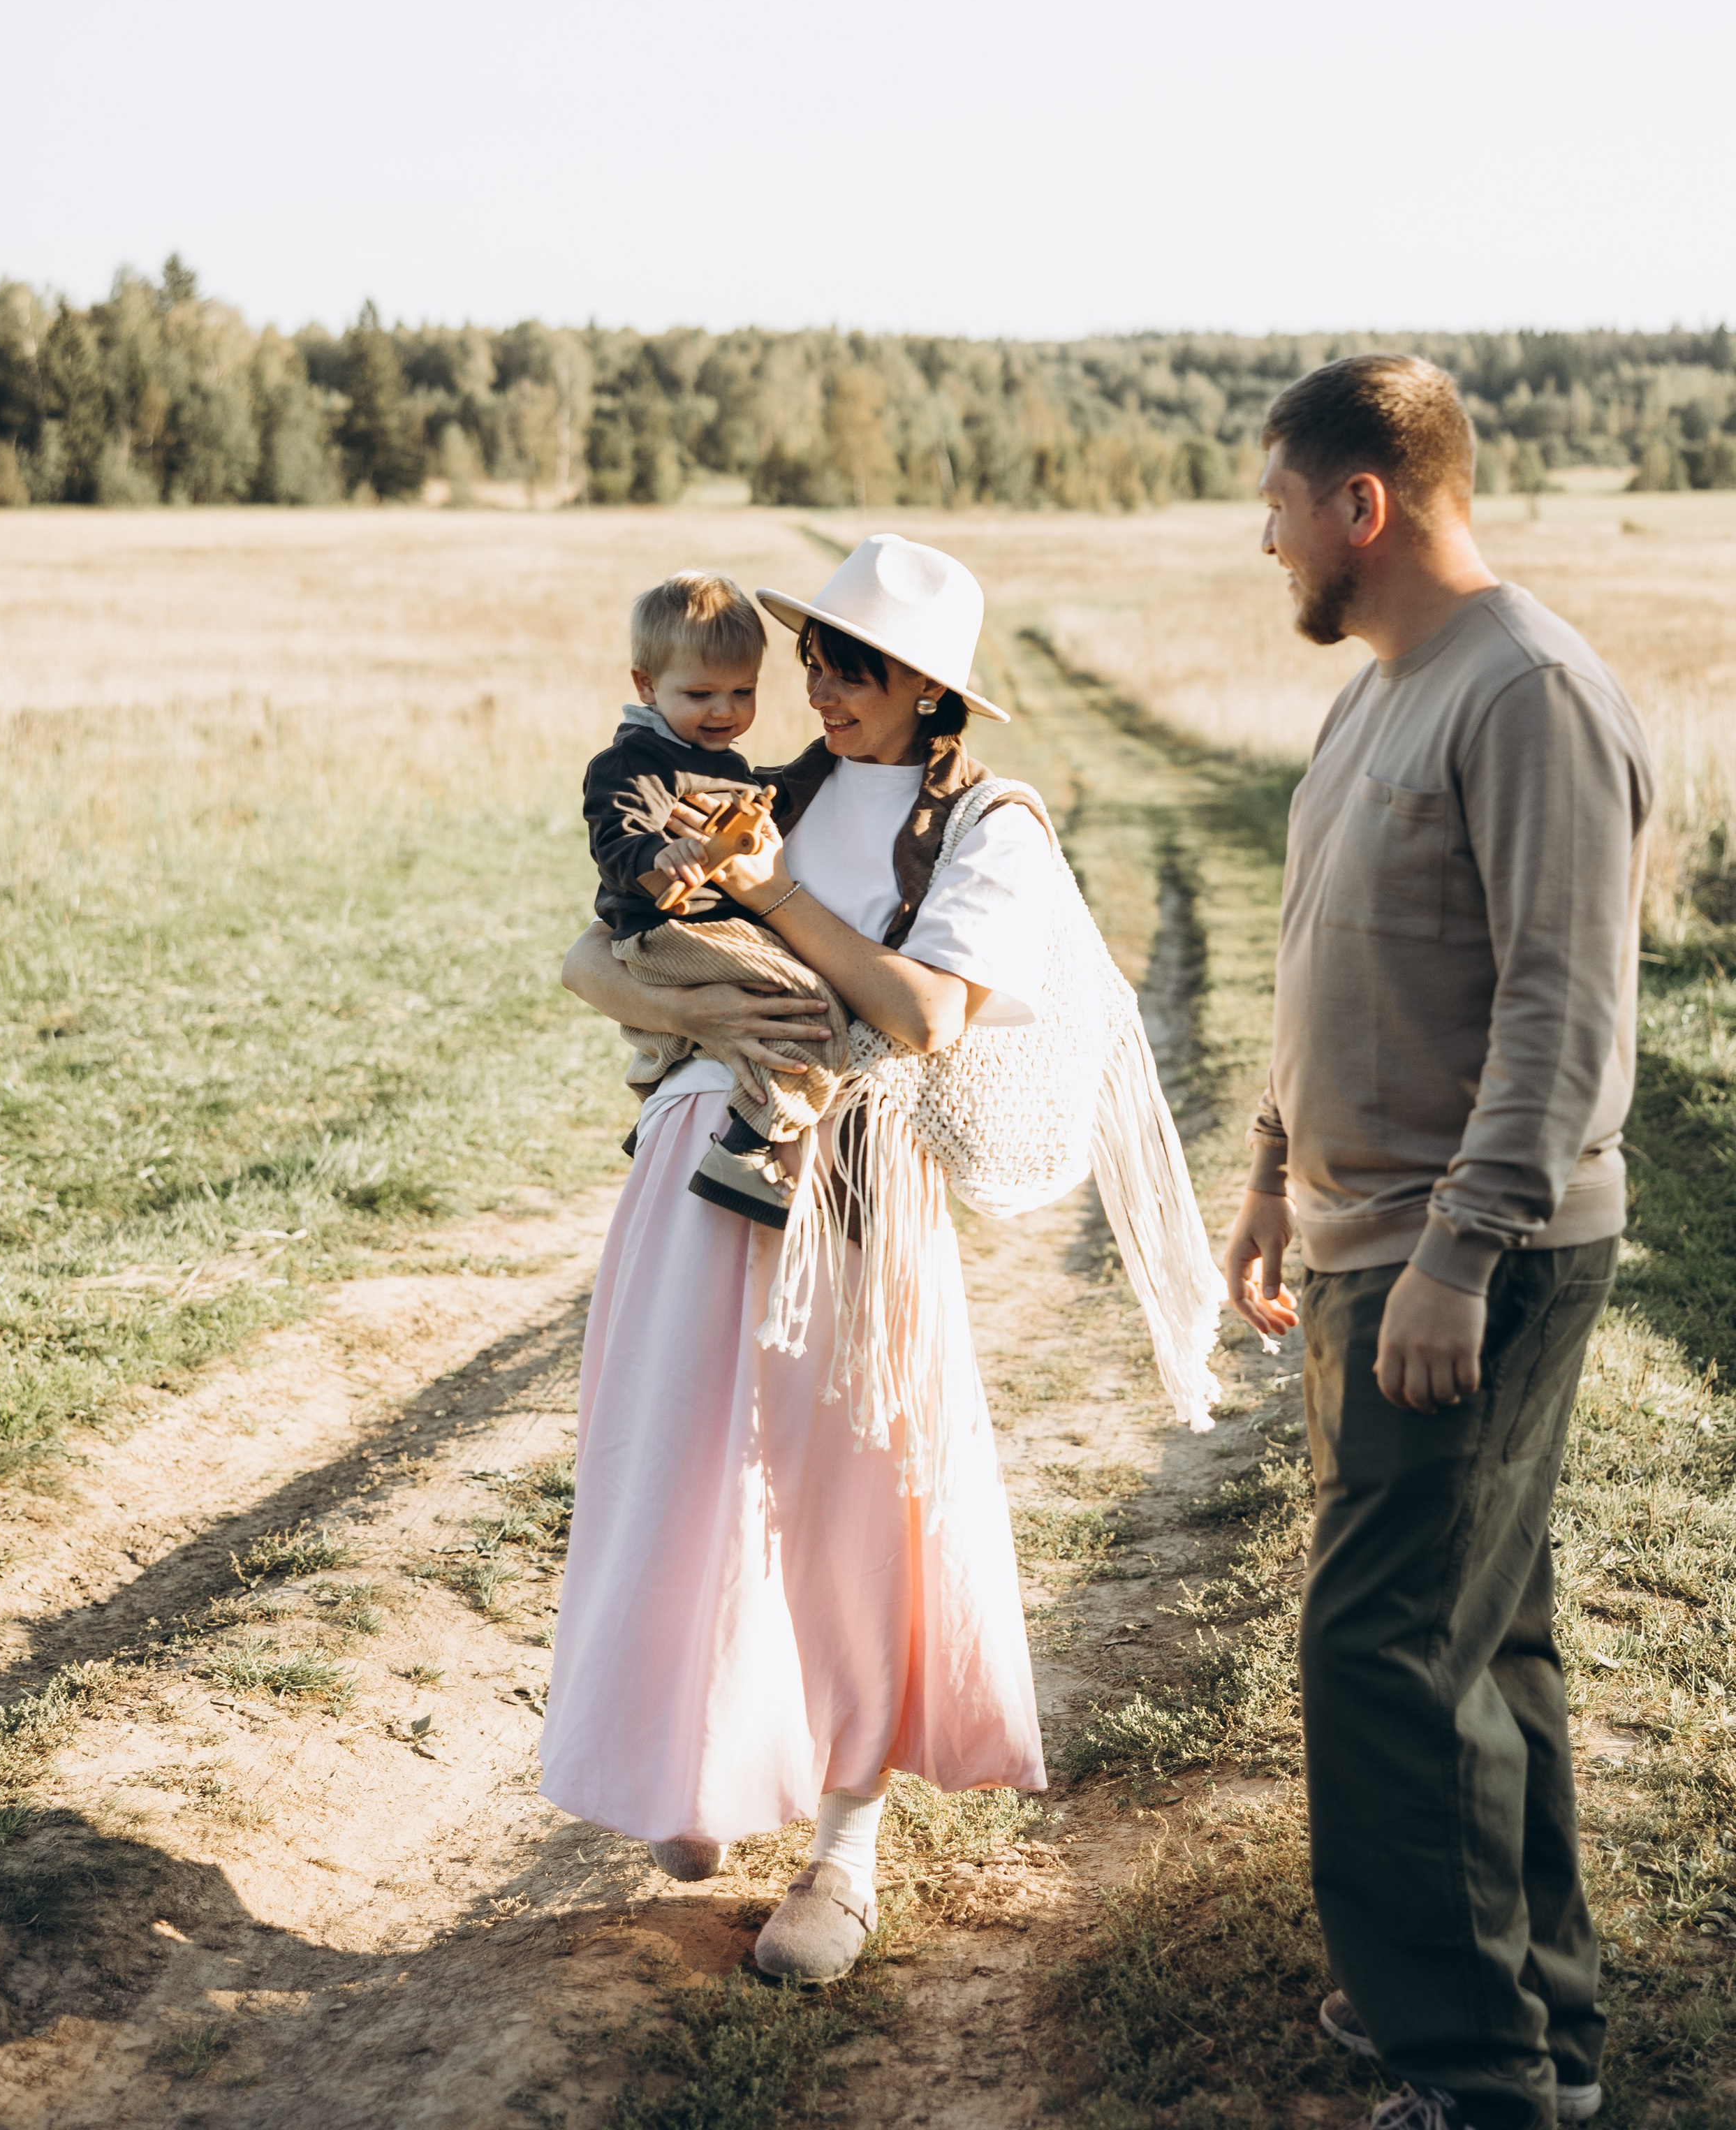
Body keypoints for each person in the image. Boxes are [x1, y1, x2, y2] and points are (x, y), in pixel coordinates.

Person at [542, 532, 1220, 1983]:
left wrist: (778, 906)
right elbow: (588, 961)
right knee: (676, 1476)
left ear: (927, 686)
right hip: (694, 1165)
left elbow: (921, 1019)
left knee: (851, 1512)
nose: (817, 684)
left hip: (858, 1199)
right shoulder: (767, 783)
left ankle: (842, 1851)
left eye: (851, 666)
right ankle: (697, 1764)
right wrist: (717, 1019)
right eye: (815, 656)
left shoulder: (989, 829)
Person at [1224, 357, 1654, 2130]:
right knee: (1474, 1637)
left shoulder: (1526, 687)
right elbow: (1324, 947)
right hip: (1357, 1238)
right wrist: (1265, 1167)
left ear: (1359, 505)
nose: (1264, 545)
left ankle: (1476, 2073)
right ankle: (1517, 2004)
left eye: (1272, 507)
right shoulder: (1374, 694)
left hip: (1461, 1252)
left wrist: (1459, 1252)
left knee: (1381, 1647)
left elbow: (1561, 1009)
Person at [581, 569, 850, 1228]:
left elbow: (758, 807)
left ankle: (661, 1128)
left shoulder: (721, 757)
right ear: (646, 685)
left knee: (786, 1004)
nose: (725, 711)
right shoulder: (634, 762)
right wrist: (659, 856)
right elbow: (617, 843)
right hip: (668, 934)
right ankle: (743, 1150)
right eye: (700, 693)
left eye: (743, 691)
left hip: (715, 930)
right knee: (801, 1008)